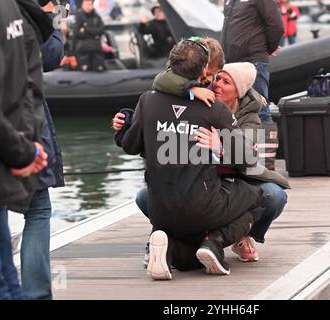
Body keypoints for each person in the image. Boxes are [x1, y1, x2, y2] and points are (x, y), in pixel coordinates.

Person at [113, 41, 288, 264]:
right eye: (216, 78)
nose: (217, 84)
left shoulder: (149, 100)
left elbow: (249, 162)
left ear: (240, 92)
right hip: (204, 197)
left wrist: (221, 145)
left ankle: (167, 246)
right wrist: (125, 122)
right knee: (255, 199)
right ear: (204, 74)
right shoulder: (210, 105)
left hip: (194, 194)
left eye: (226, 81)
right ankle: (214, 240)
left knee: (272, 196)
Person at [0, 0, 48, 300]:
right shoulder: (14, 11)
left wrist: (23, 151)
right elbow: (25, 87)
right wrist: (25, 148)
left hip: (4, 150)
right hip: (8, 152)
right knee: (4, 282)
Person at [18, 0, 66, 300]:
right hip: (22, 118)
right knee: (37, 209)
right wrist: (55, 16)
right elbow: (51, 56)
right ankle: (36, 294)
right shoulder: (25, 13)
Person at [221, 0, 284, 124]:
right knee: (239, 112)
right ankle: (247, 143)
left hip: (253, 63)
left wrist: (267, 49)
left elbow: (276, 25)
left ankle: (267, 143)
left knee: (260, 111)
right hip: (233, 64)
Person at [73, 0, 106, 71]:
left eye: (89, 4)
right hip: (83, 50)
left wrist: (86, 29)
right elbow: (76, 33)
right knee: (84, 69)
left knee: (99, 68)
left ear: (92, 5)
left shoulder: (97, 17)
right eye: (86, 4)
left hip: (96, 49)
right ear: (82, 5)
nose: (88, 7)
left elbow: (101, 30)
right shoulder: (78, 17)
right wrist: (94, 34)